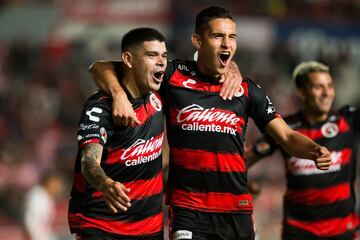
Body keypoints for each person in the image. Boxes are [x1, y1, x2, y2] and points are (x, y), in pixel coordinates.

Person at [89, 7, 332, 240]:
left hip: (237, 210)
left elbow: (287, 137)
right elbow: (100, 67)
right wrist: (119, 94)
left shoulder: (246, 89)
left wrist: (314, 150)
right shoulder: (172, 75)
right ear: (197, 41)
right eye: (218, 36)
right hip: (189, 210)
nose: (227, 43)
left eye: (232, 37)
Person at [68, 28, 168, 240]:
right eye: (152, 55)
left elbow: (99, 67)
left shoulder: (159, 92)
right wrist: (106, 184)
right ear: (128, 60)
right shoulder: (100, 107)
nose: (161, 62)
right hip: (102, 228)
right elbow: (89, 162)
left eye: (164, 56)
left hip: (149, 231)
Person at [247, 61, 360, 240]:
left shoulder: (348, 120)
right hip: (299, 232)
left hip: (343, 232)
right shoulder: (286, 128)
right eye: (318, 87)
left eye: (330, 86)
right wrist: (241, 184)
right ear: (301, 92)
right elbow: (243, 161)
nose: (326, 93)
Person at [23, 172, 64, 240]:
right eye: (57, 183)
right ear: (49, 182)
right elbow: (31, 222)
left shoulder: (47, 196)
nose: (59, 187)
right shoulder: (38, 195)